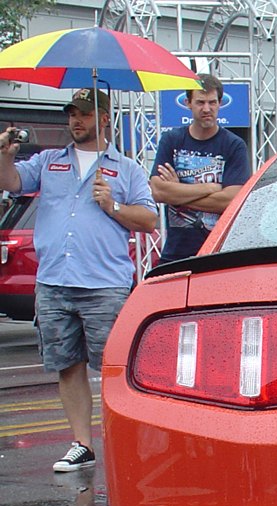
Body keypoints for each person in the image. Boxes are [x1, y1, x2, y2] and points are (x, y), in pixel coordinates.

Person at [0, 89, 158, 471]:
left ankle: (125, 442)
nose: (76, 121)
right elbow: (13, 182)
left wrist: (112, 205)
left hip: (104, 283)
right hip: (55, 280)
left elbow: (149, 220)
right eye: (72, 113)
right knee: (66, 364)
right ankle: (81, 444)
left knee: (114, 368)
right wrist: (4, 153)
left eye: (84, 114)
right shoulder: (50, 161)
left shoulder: (126, 168)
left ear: (103, 118)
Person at [150, 73, 250, 263]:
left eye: (212, 102)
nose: (207, 109)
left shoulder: (234, 145)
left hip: (219, 252)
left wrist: (178, 195)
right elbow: (158, 191)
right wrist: (209, 188)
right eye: (200, 102)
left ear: (220, 103)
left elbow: (230, 200)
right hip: (176, 252)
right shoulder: (172, 140)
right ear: (188, 103)